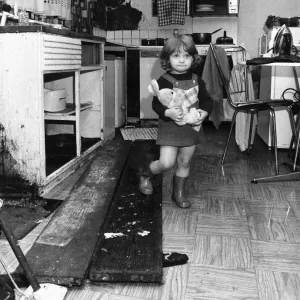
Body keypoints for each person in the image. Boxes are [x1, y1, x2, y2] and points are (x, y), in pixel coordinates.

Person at [139, 34, 213, 208]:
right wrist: (168, 112)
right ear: (167, 59)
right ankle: (146, 173)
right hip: (170, 127)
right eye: (176, 56)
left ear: (193, 58)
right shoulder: (163, 80)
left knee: (184, 162)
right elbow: (156, 104)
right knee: (166, 163)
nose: (182, 60)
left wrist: (204, 112)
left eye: (186, 56)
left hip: (192, 127)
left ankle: (178, 193)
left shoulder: (197, 79)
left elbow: (207, 100)